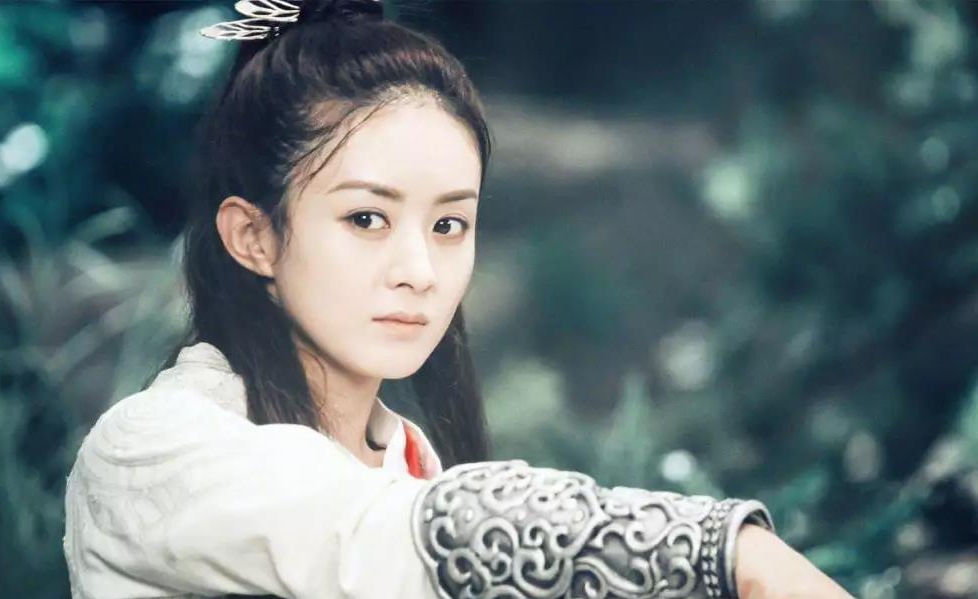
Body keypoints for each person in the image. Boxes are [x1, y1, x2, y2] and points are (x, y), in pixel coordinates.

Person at [62, 1, 855, 597]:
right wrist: (722, 552)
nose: (420, 270)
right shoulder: (158, 448)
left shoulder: (406, 460)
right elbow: (370, 536)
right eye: (366, 218)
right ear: (253, 236)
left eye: (448, 224)